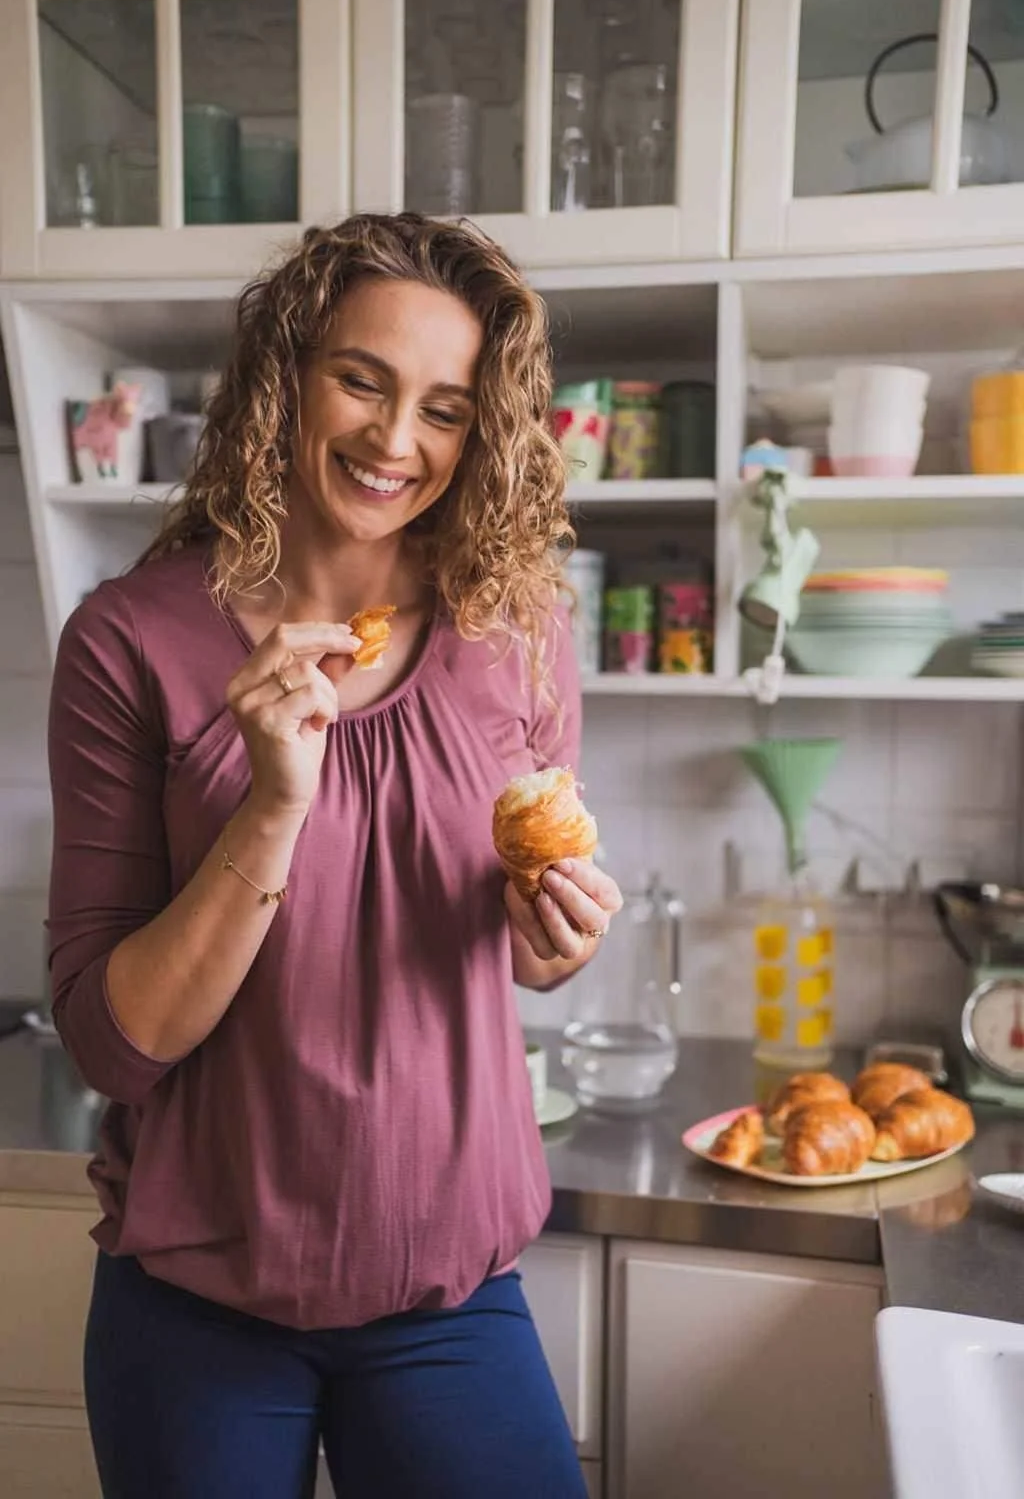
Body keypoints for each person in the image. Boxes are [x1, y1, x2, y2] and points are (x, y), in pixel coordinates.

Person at [47, 212, 622, 1499]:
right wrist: (266, 806)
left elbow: (506, 958)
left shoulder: (517, 626)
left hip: (448, 1296)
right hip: (195, 1306)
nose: (394, 440)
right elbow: (108, 1040)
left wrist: (561, 937)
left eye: (446, 408)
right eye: (361, 379)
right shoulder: (128, 645)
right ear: (284, 374)